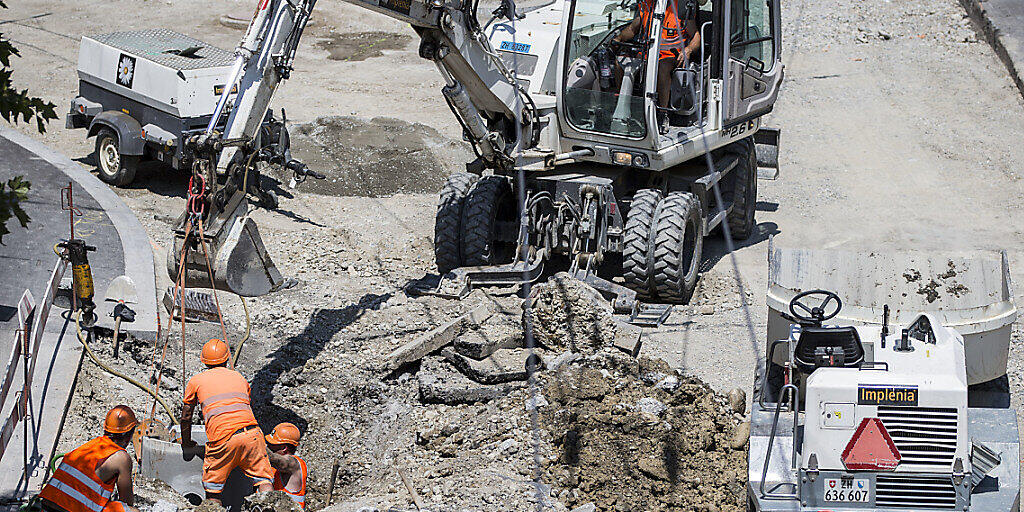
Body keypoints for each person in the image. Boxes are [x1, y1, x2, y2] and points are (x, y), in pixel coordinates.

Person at [181, 339, 274, 504]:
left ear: (203, 360)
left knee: (213, 491)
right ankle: (270, 504)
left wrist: (187, 443)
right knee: (264, 480)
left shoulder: (196, 381)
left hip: (223, 439)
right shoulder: (239, 377)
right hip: (252, 434)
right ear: (226, 359)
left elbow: (186, 417)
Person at [614, 0, 700, 132]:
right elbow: (632, 29)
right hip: (647, 52)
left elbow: (695, 36)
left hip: (671, 54)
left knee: (662, 68)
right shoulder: (646, 5)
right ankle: (621, 106)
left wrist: (687, 50)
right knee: (620, 63)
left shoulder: (680, 7)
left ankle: (663, 113)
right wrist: (618, 39)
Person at [38, 405, 140, 512]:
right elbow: (126, 502)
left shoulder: (92, 445)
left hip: (46, 506)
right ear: (129, 435)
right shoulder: (121, 458)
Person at [265, 422, 308, 509]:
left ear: (284, 448)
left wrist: (255, 443)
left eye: (272, 444)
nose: (268, 446)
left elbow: (274, 459)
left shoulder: (294, 464)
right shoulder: (275, 469)